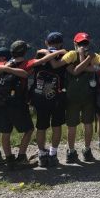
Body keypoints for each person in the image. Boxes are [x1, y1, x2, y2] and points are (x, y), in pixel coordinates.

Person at [49, 32, 100, 163]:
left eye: (83, 43)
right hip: (87, 96)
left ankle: (71, 151)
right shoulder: (92, 56)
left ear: (74, 43)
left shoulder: (70, 55)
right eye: (82, 43)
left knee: (72, 126)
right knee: (87, 124)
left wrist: (48, 53)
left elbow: (56, 65)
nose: (83, 46)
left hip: (72, 96)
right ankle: (86, 150)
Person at [0, 40, 35, 169]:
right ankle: (21, 158)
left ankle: (9, 159)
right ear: (24, 52)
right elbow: (26, 74)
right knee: (28, 130)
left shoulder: (5, 63)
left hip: (1, 103)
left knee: (5, 132)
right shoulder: (26, 64)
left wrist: (5, 67)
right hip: (17, 103)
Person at [25, 32, 68, 167]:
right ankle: (53, 154)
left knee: (41, 126)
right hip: (58, 97)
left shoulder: (40, 54)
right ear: (61, 43)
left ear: (46, 42)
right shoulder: (64, 55)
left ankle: (42, 155)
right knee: (56, 126)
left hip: (40, 97)